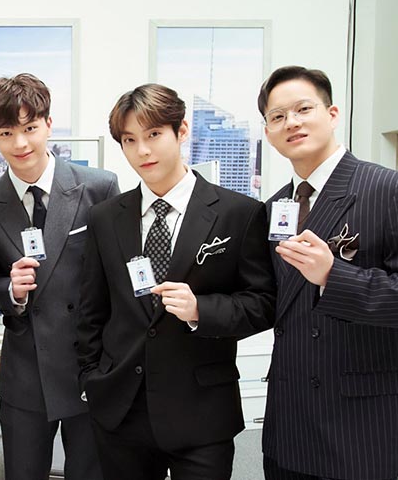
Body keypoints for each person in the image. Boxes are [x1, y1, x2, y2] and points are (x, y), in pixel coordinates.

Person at [76, 83, 275, 480]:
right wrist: (90, 378)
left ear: (181, 130)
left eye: (153, 134)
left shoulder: (239, 213)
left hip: (202, 410)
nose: (142, 151)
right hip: (121, 409)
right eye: (129, 140)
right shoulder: (105, 217)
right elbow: (91, 310)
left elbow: (263, 303)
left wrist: (202, 309)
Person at [0, 73, 118, 480]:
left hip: (90, 363)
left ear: (49, 124)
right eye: (6, 133)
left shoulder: (99, 187)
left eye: (30, 128)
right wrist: (9, 290)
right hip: (26, 373)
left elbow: (118, 276)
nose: (20, 143)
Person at [258, 65, 398, 480]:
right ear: (268, 132)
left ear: (333, 114)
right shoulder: (274, 207)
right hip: (289, 419)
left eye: (304, 109)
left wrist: (333, 276)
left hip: (360, 423)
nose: (292, 122)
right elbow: (272, 300)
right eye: (278, 116)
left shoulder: (386, 189)